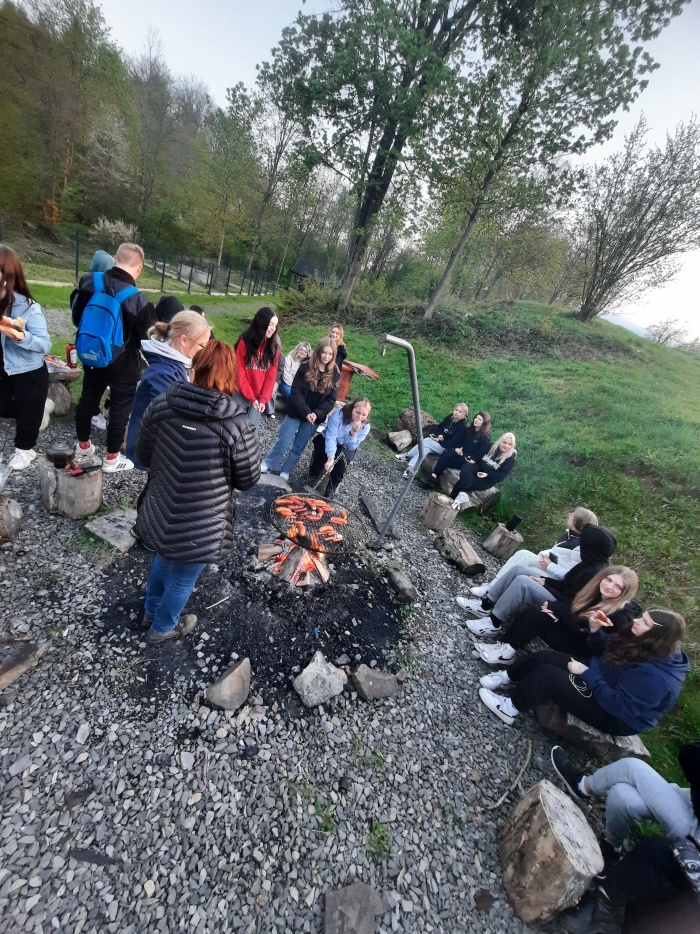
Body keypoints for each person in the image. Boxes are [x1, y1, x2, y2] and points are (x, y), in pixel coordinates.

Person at [134, 341, 260, 643]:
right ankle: (162, 628)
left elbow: (143, 454)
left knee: (163, 558)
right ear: (231, 377)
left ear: (195, 369)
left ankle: (149, 612)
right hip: (204, 521)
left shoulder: (162, 404)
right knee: (183, 576)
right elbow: (247, 479)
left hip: (162, 507)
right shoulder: (236, 424)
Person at [555, 743, 700, 934]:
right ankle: (611, 847)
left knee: (633, 767)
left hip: (694, 839)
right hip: (693, 807)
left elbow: (691, 759)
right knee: (622, 796)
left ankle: (582, 786)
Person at [478, 608, 689, 732]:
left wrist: (586, 674)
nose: (636, 621)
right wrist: (596, 631)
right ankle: (507, 677)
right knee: (545, 657)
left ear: (656, 637)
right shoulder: (640, 639)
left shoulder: (656, 678)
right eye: (641, 617)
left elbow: (618, 706)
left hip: (615, 716)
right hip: (603, 677)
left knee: (548, 676)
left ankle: (510, 708)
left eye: (644, 622)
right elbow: (604, 651)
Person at [73, 242, 154, 472]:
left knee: (88, 397)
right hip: (121, 362)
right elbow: (145, 341)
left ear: (115, 259)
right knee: (120, 406)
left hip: (91, 353)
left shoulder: (89, 281)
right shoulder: (139, 300)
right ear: (139, 269)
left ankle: (83, 445)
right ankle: (111, 458)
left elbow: (77, 316)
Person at [459, 523, 616, 638]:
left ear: (591, 547)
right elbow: (565, 583)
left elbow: (571, 601)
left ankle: (494, 623)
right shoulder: (588, 562)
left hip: (561, 605)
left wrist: (546, 585)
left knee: (523, 582)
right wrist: (545, 582)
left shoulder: (594, 573)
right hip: (558, 593)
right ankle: (485, 605)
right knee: (520, 569)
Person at [473, 566, 638, 665]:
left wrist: (557, 612)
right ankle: (505, 648)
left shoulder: (618, 616)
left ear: (625, 593)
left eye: (618, 587)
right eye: (609, 580)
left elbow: (584, 634)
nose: (610, 586)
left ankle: (506, 651)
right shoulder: (595, 593)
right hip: (572, 632)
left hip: (580, 649)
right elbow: (572, 608)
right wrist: (555, 609)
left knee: (539, 615)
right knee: (536, 613)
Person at [125, 311, 212, 469]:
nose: (204, 351)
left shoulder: (173, 364)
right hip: (152, 449)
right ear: (184, 340)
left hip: (160, 447)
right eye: (202, 345)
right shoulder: (163, 372)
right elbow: (174, 417)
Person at [0, 246, 51, 470]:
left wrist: (21, 336)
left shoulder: (27, 306)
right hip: (3, 370)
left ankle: (25, 450)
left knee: (27, 412)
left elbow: (45, 343)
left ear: (6, 273)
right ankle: (42, 408)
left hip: (27, 371)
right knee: (5, 408)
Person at [471, 506, 598, 596]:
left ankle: (494, 590)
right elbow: (554, 551)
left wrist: (550, 566)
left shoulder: (580, 548)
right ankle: (493, 585)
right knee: (523, 554)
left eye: (573, 515)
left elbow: (570, 575)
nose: (570, 515)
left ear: (578, 522)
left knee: (521, 566)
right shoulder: (569, 534)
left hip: (554, 578)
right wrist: (543, 555)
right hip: (549, 567)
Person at [261, 338, 338, 482]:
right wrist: (306, 411)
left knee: (299, 446)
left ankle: (286, 470)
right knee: (283, 440)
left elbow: (331, 400)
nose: (326, 356)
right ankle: (269, 463)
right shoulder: (305, 367)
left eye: (330, 354)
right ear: (318, 351)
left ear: (333, 356)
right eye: (324, 352)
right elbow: (295, 391)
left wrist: (316, 414)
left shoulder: (335, 375)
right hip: (297, 411)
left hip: (315, 418)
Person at [307, 396, 371, 496]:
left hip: (345, 446)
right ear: (351, 409)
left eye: (364, 415)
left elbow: (351, 447)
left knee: (344, 458)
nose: (359, 417)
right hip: (329, 439)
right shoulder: (339, 414)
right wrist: (331, 457)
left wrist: (353, 433)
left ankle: (332, 486)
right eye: (357, 412)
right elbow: (331, 436)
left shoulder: (366, 426)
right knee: (321, 448)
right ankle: (314, 472)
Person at [233, 307, 280, 433]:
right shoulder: (245, 342)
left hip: (259, 399)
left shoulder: (274, 348)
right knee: (233, 428)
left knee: (251, 433)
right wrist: (251, 397)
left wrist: (264, 399)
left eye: (275, 326)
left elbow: (271, 376)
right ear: (262, 322)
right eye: (270, 324)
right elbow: (240, 372)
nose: (272, 328)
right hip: (241, 393)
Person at [394, 403, 469, 477]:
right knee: (426, 449)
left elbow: (452, 444)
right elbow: (439, 427)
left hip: (447, 450)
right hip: (438, 443)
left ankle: (407, 455)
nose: (456, 412)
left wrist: (439, 441)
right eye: (456, 410)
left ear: (463, 415)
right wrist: (439, 434)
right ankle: (410, 469)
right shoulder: (450, 417)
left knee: (426, 441)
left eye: (460, 412)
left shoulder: (462, 427)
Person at [449, 432, 517, 508]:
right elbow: (478, 454)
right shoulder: (491, 446)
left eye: (509, 444)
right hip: (478, 468)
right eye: (504, 442)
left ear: (512, 446)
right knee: (467, 466)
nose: (506, 446)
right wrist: (473, 459)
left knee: (461, 483)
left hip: (487, 479)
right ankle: (463, 493)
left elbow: (501, 475)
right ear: (500, 441)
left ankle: (451, 503)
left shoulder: (510, 459)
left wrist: (488, 475)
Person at [424, 412, 492, 484]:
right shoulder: (469, 430)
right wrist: (457, 449)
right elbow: (460, 442)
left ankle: (433, 478)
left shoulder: (485, 439)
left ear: (484, 423)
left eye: (480, 419)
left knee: (447, 460)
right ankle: (433, 476)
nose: (476, 420)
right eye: (476, 418)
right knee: (446, 453)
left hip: (468, 460)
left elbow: (479, 455)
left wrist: (466, 456)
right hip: (459, 452)